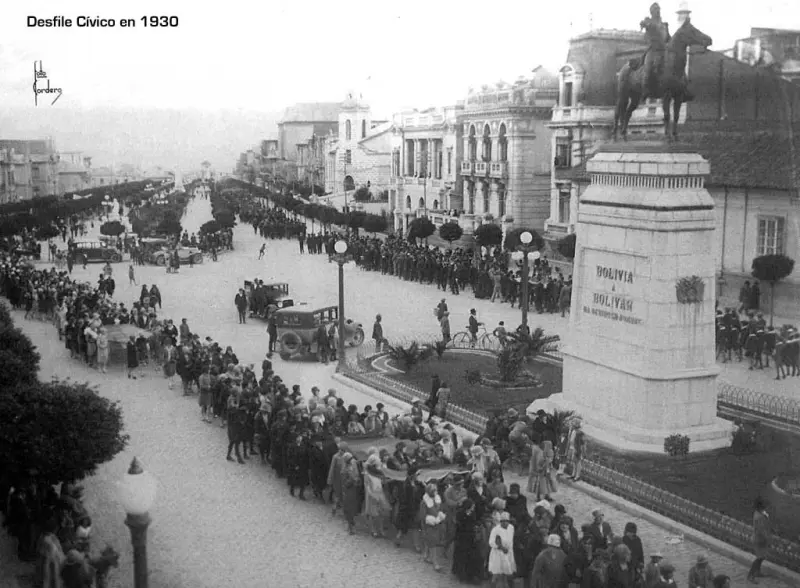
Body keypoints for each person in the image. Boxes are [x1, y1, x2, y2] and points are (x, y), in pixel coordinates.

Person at [639, 2, 671, 100]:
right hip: (653, 50)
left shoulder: (664, 25)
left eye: (658, 10)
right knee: (648, 68)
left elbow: (668, 38)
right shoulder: (648, 21)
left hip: (664, 51)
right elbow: (643, 25)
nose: (658, 12)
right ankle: (645, 90)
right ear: (652, 12)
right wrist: (644, 24)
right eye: (655, 10)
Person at [748, 497, 770, 583]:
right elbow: (761, 530)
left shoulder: (759, 513)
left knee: (762, 557)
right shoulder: (759, 516)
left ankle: (757, 572)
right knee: (759, 558)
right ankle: (751, 575)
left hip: (760, 539)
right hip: (759, 540)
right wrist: (767, 538)